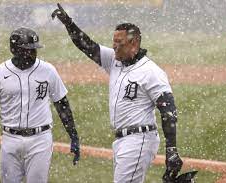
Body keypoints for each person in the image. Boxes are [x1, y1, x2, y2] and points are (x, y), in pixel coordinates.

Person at [52, 3, 184, 183]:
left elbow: (168, 110)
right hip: (122, 141)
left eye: (119, 43)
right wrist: (69, 24)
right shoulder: (115, 61)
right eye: (113, 41)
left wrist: (171, 149)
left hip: (139, 139)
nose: (114, 47)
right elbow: (87, 46)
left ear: (134, 43)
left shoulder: (151, 72)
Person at [0, 27, 80, 183]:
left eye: (34, 50)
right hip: (10, 140)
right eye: (27, 50)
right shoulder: (0, 73)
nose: (32, 54)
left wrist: (74, 136)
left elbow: (62, 104)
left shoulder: (48, 70)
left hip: (40, 140)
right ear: (14, 49)